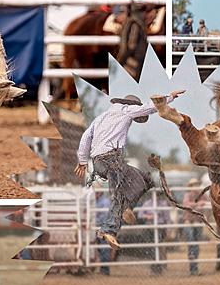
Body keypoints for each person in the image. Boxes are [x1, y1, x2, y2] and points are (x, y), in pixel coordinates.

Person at [75, 91, 185, 249]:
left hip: (101, 162)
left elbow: (86, 137)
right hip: (111, 161)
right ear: (132, 106)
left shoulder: (100, 117)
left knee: (146, 179)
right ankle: (108, 230)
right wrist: (169, 97)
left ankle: (127, 208)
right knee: (118, 194)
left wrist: (83, 160)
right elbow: (150, 107)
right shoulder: (126, 111)